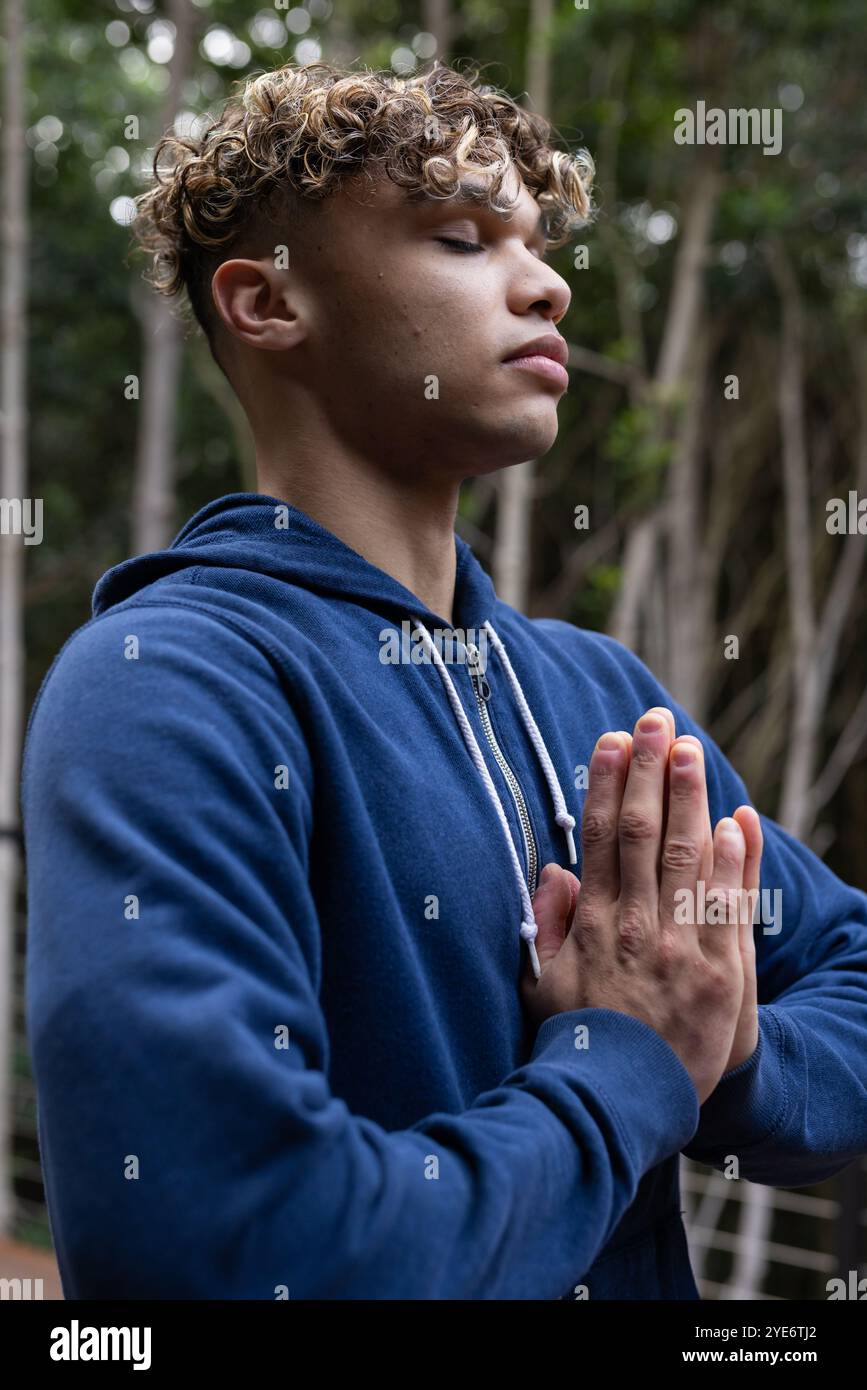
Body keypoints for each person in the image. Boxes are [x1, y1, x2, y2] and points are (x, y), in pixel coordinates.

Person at [23, 59, 867, 1300]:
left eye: (538, 238)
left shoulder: (600, 695)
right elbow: (219, 1248)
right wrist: (626, 1066)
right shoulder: (166, 684)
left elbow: (849, 964)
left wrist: (727, 1045)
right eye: (464, 239)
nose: (549, 279)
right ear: (266, 304)